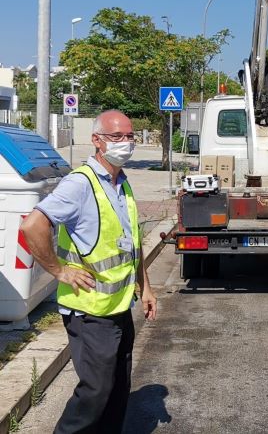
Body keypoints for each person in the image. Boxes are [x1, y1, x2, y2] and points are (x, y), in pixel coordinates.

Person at [21, 110, 157, 434]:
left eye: (130, 136)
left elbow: (131, 244)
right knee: (95, 393)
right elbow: (32, 225)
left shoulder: (122, 184)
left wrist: (145, 286)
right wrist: (58, 270)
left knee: (116, 390)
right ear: (97, 140)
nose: (125, 143)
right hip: (90, 311)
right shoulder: (81, 184)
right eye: (116, 137)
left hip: (120, 308)